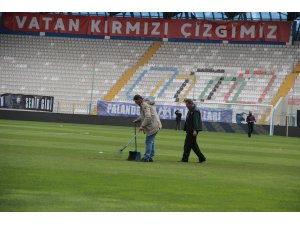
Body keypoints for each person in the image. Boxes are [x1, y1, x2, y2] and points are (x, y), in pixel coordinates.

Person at [133, 95, 162, 162]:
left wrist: (142, 126)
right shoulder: (144, 105)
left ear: (140, 99)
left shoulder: (145, 105)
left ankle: (146, 157)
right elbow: (143, 115)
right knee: (151, 141)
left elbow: (148, 117)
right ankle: (151, 157)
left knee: (148, 141)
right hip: (155, 125)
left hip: (153, 126)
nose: (135, 103)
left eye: (136, 101)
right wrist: (138, 120)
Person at [180, 99, 206, 163]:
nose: (186, 106)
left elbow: (196, 121)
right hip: (190, 130)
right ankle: (201, 158)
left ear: (190, 104)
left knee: (187, 145)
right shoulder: (191, 110)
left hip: (192, 130)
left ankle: (185, 159)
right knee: (193, 145)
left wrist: (195, 130)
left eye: (187, 104)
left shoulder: (195, 111)